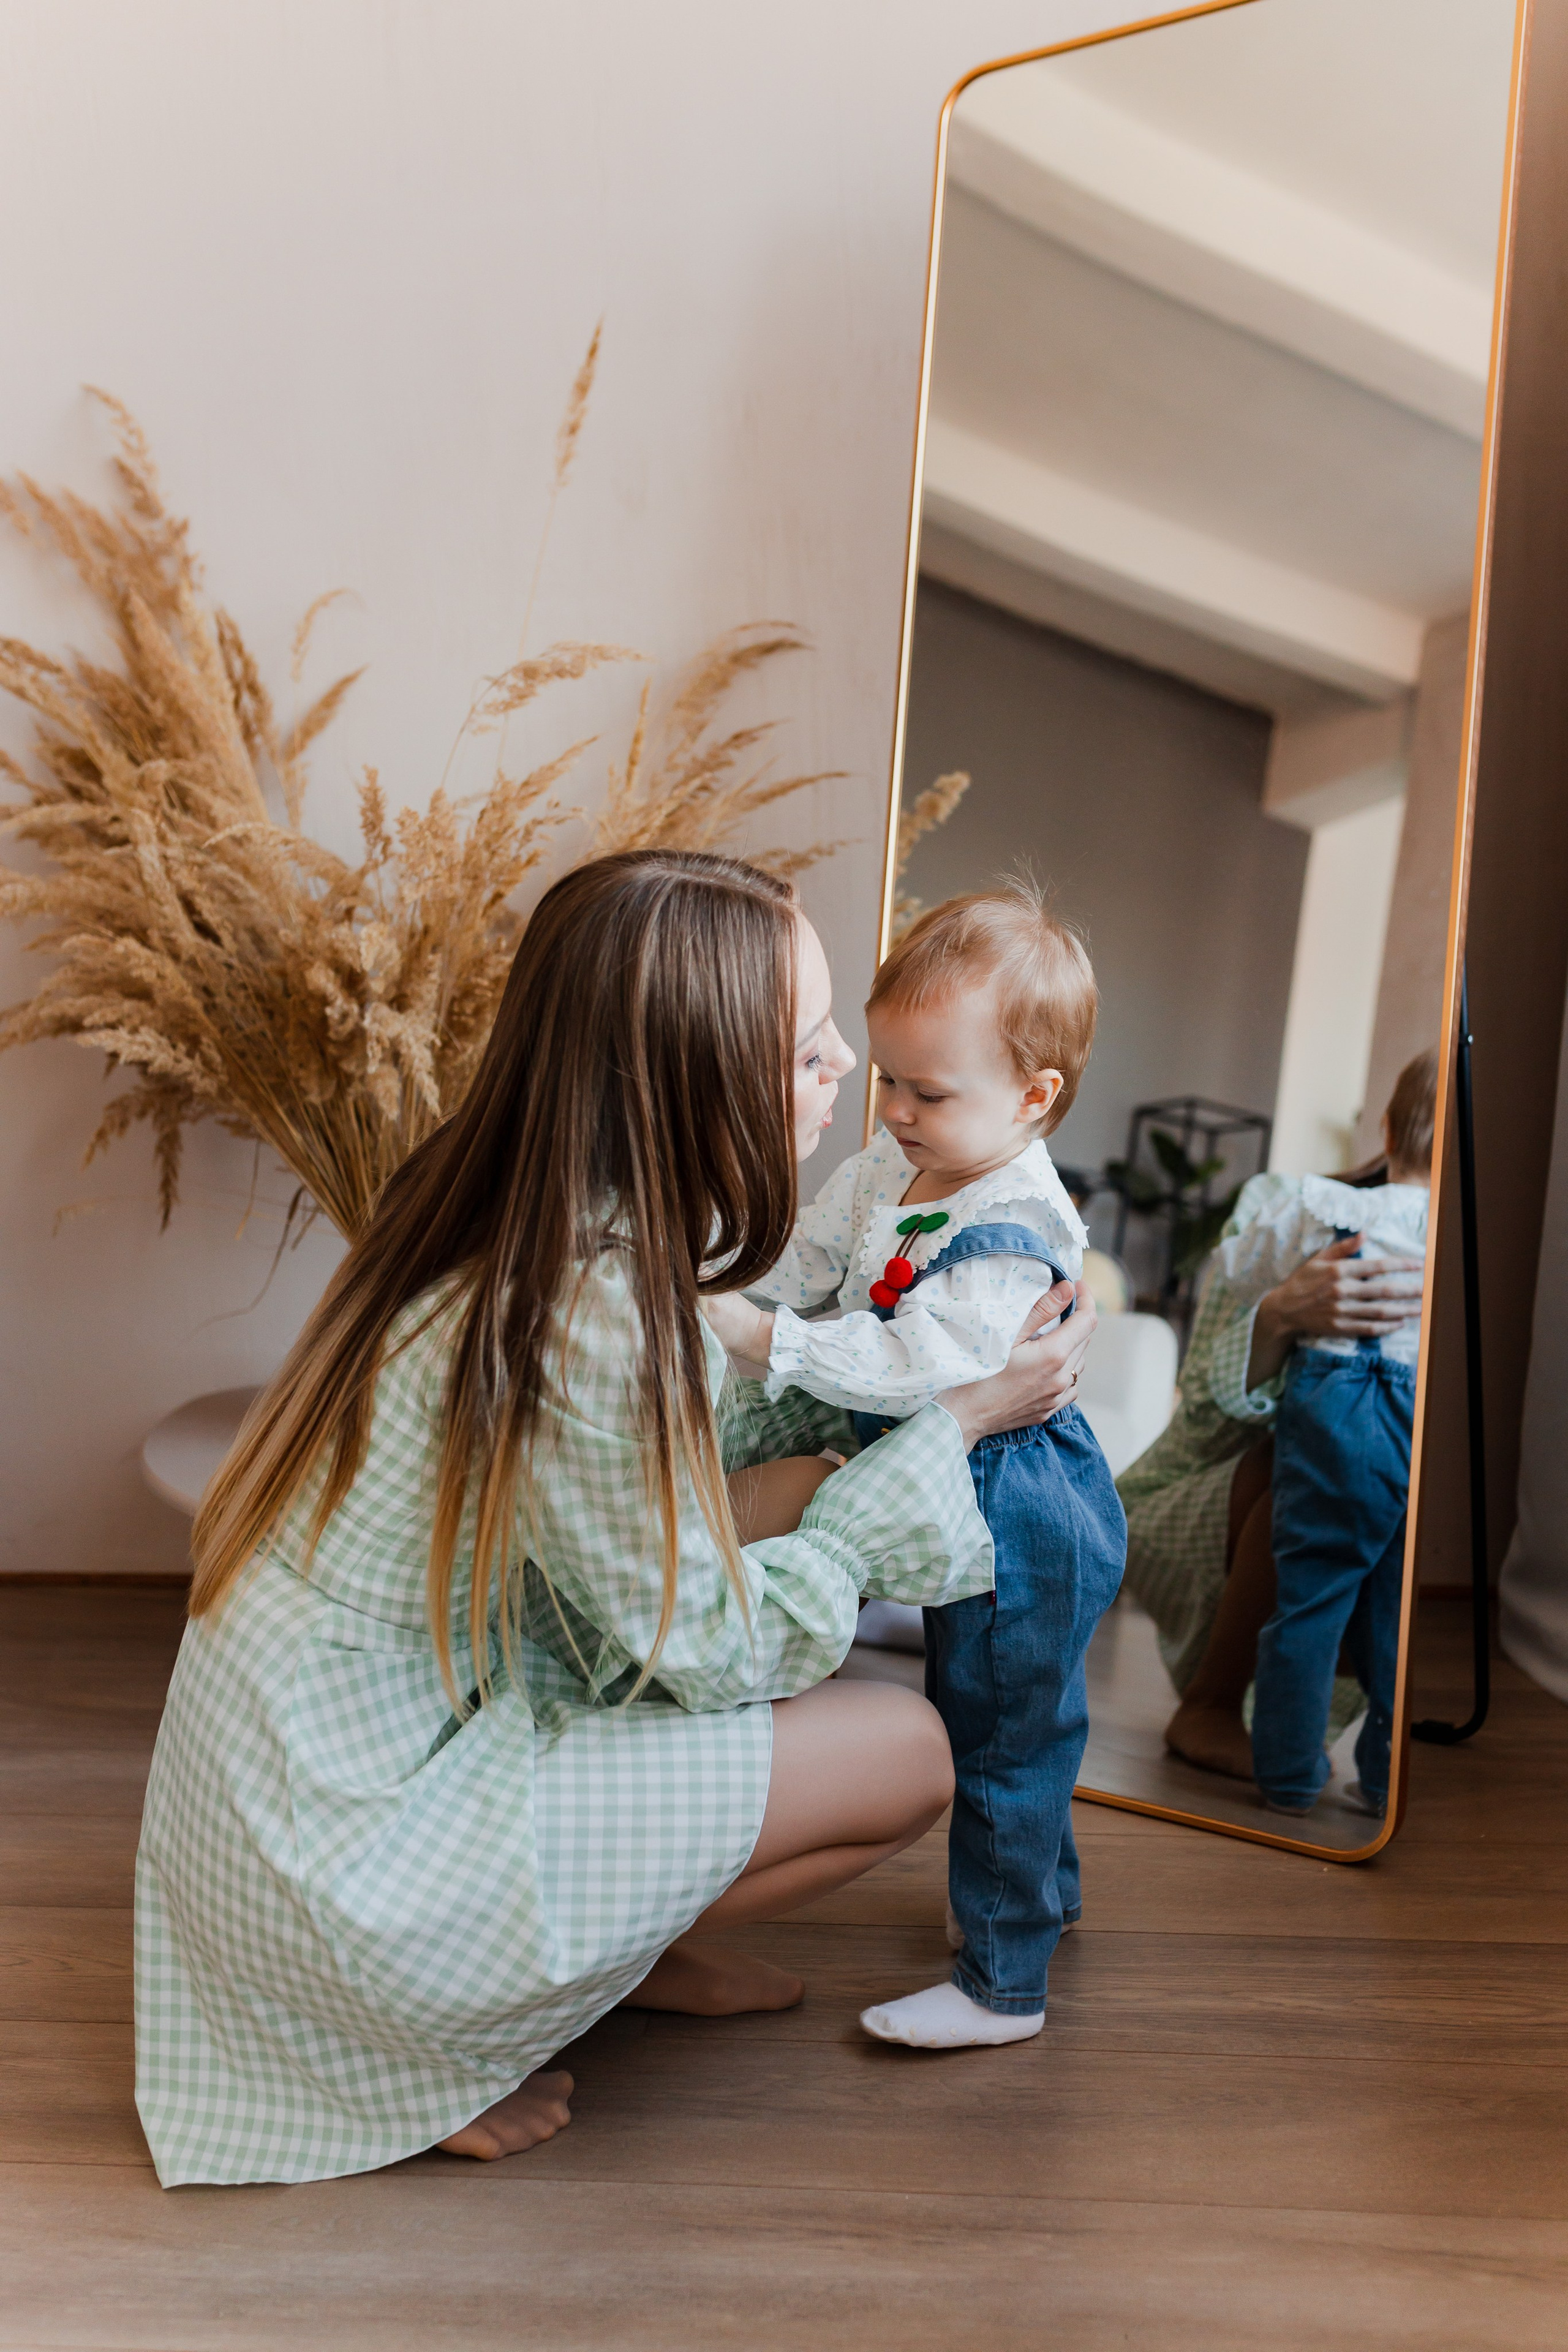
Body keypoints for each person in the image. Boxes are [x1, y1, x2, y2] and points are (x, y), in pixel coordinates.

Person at [135, 850, 1095, 2187]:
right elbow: (694, 1644)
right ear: (688, 1078)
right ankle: (426, 2038)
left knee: (801, 1499)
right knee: (914, 1752)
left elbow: (669, 1475)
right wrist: (950, 1433)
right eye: (807, 1046)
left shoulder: (509, 1210)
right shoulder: (588, 1311)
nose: (844, 1073)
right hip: (347, 1870)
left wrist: (882, 1401)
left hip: (301, 1775)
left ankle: (608, 1945)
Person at [706, 885, 1126, 2052]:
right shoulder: (894, 1171)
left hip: (1019, 1502)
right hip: (952, 1483)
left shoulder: (1015, 1223)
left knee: (1002, 1724)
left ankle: (1005, 1982)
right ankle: (1047, 1887)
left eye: (927, 1092)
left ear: (1034, 1098)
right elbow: (813, 1262)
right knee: (1000, 1704)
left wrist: (768, 1343)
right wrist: (744, 1303)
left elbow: (912, 1359)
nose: (890, 1109)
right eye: (887, 1079)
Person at [1117, 1052, 1435, 1785]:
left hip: (1371, 1498)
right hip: (1225, 1488)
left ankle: (1344, 1757)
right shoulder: (1297, 1206)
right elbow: (1201, 1412)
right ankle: (1212, 1704)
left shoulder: (1480, 1259)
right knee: (1314, 1465)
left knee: (1389, 1511)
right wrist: (1283, 1313)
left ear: (1389, 1126)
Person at [1249, 1052, 1434, 1819]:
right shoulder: (1462, 1232)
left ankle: (1290, 1774)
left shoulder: (1327, 1206)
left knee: (1311, 1596)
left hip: (1338, 1402)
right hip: (1414, 1413)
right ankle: (1386, 1779)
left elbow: (1247, 1270)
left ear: (1386, 1129)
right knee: (1394, 1610)